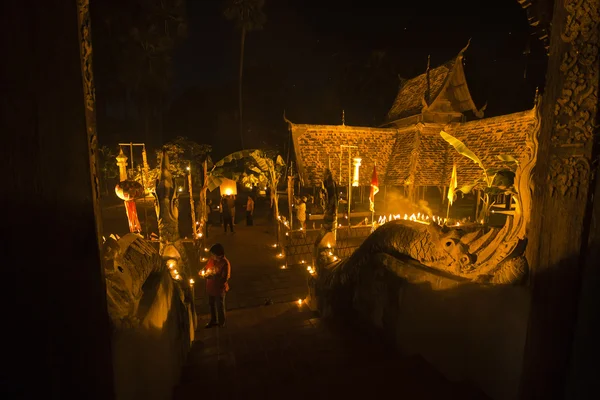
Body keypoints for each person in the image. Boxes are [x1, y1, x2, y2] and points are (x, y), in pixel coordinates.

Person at [199, 243, 230, 328]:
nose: (212, 256)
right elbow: (206, 267)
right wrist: (202, 271)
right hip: (211, 287)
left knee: (219, 306)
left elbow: (224, 278)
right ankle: (213, 320)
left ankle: (221, 323)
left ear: (219, 255)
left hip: (219, 289)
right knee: (211, 304)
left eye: (213, 254)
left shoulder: (225, 263)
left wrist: (212, 276)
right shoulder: (212, 260)